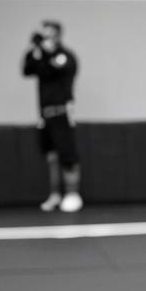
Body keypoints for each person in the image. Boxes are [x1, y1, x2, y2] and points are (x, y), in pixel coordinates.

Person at [21, 20, 83, 212]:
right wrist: (34, 49)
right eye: (44, 33)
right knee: (51, 157)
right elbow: (28, 69)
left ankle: (73, 194)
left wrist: (47, 52)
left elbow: (58, 67)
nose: (47, 36)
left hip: (61, 112)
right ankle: (55, 195)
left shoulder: (65, 56)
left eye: (50, 33)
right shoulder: (42, 57)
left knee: (67, 157)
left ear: (58, 35)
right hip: (44, 114)